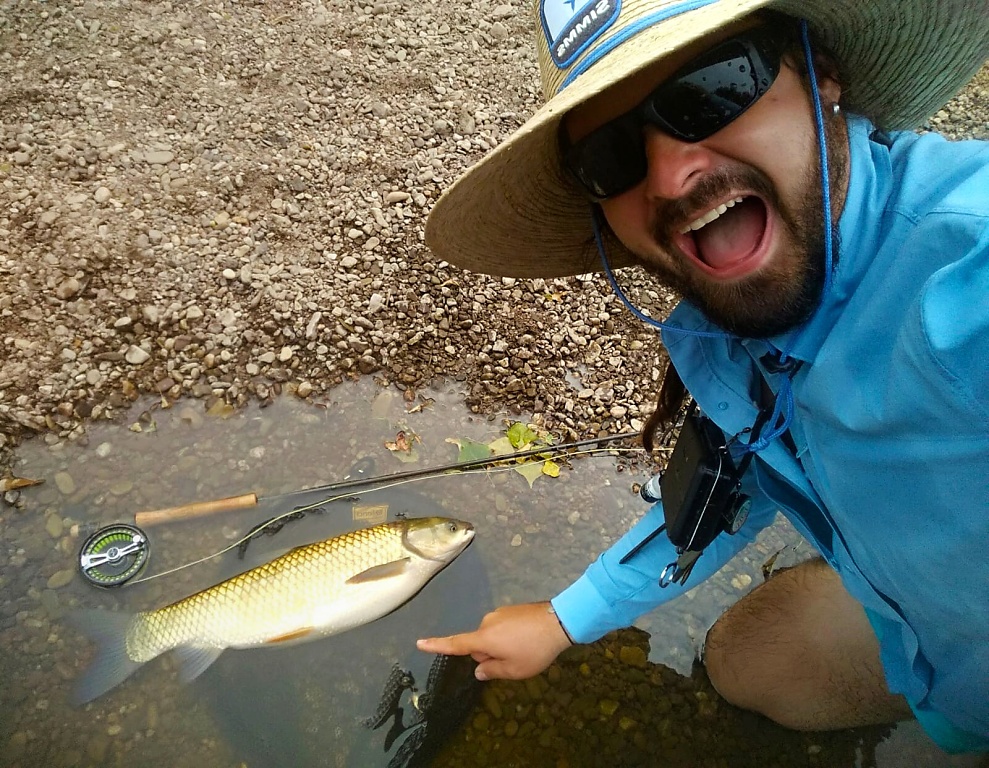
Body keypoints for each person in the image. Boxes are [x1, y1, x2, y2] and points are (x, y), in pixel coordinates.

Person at [417, 0, 989, 756]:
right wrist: (566, 618)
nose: (669, 174)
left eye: (710, 90)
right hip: (936, 635)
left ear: (821, 77)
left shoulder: (965, 277)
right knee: (748, 662)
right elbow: (726, 484)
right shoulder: (720, 334)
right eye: (611, 156)